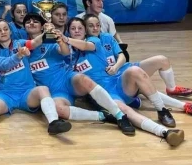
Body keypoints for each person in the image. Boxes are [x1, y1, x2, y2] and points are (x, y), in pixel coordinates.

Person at [67, 16, 185, 147]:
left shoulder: (94, 41)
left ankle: (162, 110)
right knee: (125, 111)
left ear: (85, 31)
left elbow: (85, 45)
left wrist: (65, 38)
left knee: (135, 70)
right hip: (105, 94)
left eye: (80, 28)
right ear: (68, 31)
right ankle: (165, 132)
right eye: (73, 29)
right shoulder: (67, 53)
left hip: (117, 82)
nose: (77, 31)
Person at [22, 13, 135, 135]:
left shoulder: (51, 41)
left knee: (83, 79)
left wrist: (59, 39)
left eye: (35, 21)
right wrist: (45, 34)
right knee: (59, 109)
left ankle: (120, 116)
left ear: (42, 26)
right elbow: (32, 44)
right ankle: (103, 116)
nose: (31, 23)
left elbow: (65, 52)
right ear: (24, 28)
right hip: (54, 91)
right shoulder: (21, 44)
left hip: (67, 79)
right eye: (28, 22)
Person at [90, 18, 192, 117]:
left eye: (98, 25)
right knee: (141, 85)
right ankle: (183, 106)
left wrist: (115, 66)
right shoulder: (84, 48)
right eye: (91, 26)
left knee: (162, 60)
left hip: (123, 70)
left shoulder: (107, 37)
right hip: (112, 84)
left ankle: (171, 89)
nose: (95, 28)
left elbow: (122, 56)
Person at [0, 19, 71, 135]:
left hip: (27, 92)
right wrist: (19, 55)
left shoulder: (20, 43)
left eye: (5, 29)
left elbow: (35, 42)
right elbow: (3, 65)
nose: (3, 32)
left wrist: (48, 33)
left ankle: (54, 123)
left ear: (10, 31)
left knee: (43, 89)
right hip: (6, 93)